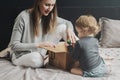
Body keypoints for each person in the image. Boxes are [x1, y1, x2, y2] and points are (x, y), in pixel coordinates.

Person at [8, 0, 78, 68]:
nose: (50, 9)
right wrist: (39, 45)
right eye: (47, 5)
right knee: (37, 59)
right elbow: (13, 45)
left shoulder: (49, 16)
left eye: (52, 5)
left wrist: (69, 30)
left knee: (64, 27)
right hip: (22, 55)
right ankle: (44, 58)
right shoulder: (23, 17)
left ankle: (81, 54)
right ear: (38, 2)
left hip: (41, 51)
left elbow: (68, 22)